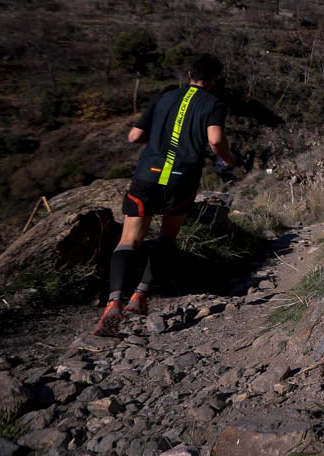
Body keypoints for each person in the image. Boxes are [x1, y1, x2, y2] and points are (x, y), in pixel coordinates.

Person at [93, 53, 235, 335]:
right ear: (214, 80)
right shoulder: (214, 103)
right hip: (181, 179)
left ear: (189, 74)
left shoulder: (165, 97)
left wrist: (157, 138)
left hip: (148, 175)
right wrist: (228, 160)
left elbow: (134, 136)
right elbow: (216, 139)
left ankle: (113, 304)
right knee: (166, 237)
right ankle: (140, 295)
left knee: (129, 239)